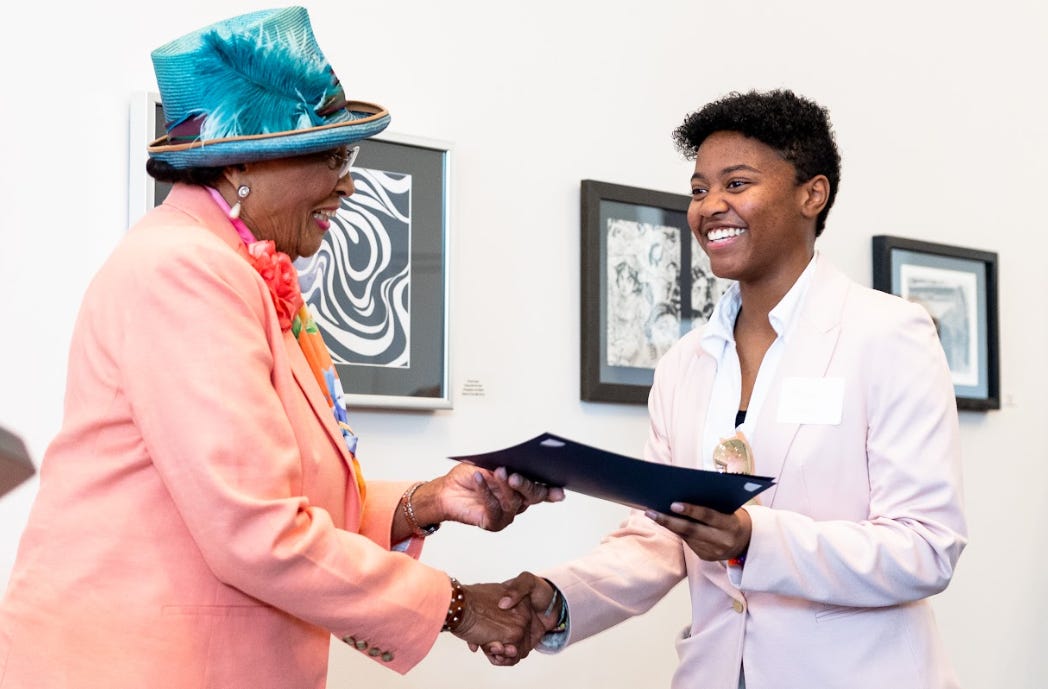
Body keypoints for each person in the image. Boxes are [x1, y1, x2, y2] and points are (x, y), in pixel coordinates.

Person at [0, 7, 561, 689]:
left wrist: (429, 500)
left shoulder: (244, 273)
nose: (348, 182)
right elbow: (256, 531)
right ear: (242, 162)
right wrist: (457, 605)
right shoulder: (183, 271)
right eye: (331, 155)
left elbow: (292, 500)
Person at [496, 89, 967, 688]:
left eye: (736, 184)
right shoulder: (682, 365)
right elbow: (659, 535)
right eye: (698, 190)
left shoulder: (888, 335)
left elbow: (925, 548)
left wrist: (753, 539)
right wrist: (559, 598)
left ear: (811, 194)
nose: (709, 207)